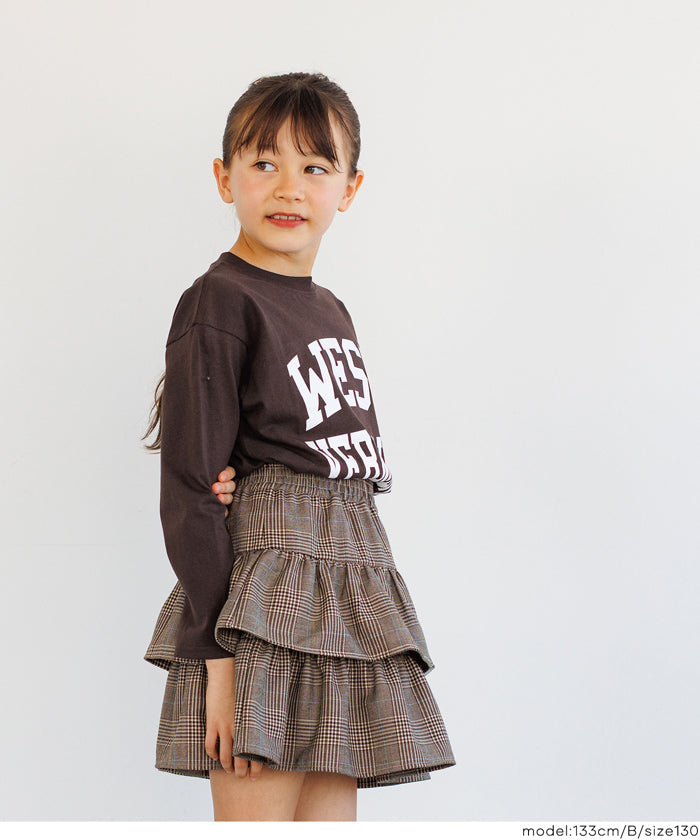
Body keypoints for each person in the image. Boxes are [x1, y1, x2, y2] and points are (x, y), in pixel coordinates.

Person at [141, 71, 456, 821]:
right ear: (225, 178)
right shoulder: (221, 300)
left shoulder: (330, 308)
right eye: (264, 162)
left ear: (350, 188)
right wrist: (218, 659)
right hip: (262, 606)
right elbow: (190, 490)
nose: (289, 187)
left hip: (347, 590)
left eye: (315, 166)